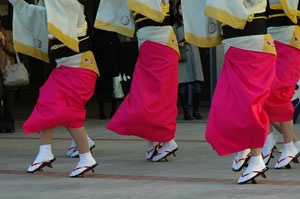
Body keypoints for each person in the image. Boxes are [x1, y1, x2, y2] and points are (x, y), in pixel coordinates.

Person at [181, 0, 276, 184]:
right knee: (232, 104)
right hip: (242, 43)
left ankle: (256, 158)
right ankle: (247, 149)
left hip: (249, 43)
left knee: (246, 105)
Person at [9, 0, 99, 177]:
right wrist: (18, 3)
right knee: (47, 103)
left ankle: (86, 157)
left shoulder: (72, 8)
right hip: (68, 70)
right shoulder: (59, 9)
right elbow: (37, 14)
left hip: (80, 70)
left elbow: (52, 16)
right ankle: (45, 152)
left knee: (70, 114)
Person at [97, 0, 179, 162]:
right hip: (151, 43)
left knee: (154, 96)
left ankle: (168, 141)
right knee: (148, 94)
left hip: (159, 43)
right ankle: (153, 141)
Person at [260, 0, 300, 169]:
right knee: (262, 95)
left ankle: (289, 144)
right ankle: (287, 142)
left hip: (289, 37)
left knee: (279, 93)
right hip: (267, 38)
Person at [173, 0, 204, 120]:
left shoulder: (193, 22)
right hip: (183, 58)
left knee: (197, 85)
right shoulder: (175, 26)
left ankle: (196, 110)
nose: (182, 11)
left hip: (193, 56)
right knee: (183, 86)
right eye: (180, 8)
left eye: (183, 8)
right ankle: (186, 111)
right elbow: (171, 41)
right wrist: (178, 44)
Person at [0, 14, 17, 133]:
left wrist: (4, 42)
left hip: (9, 70)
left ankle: (9, 124)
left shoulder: (9, 34)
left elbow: (15, 51)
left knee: (9, 99)